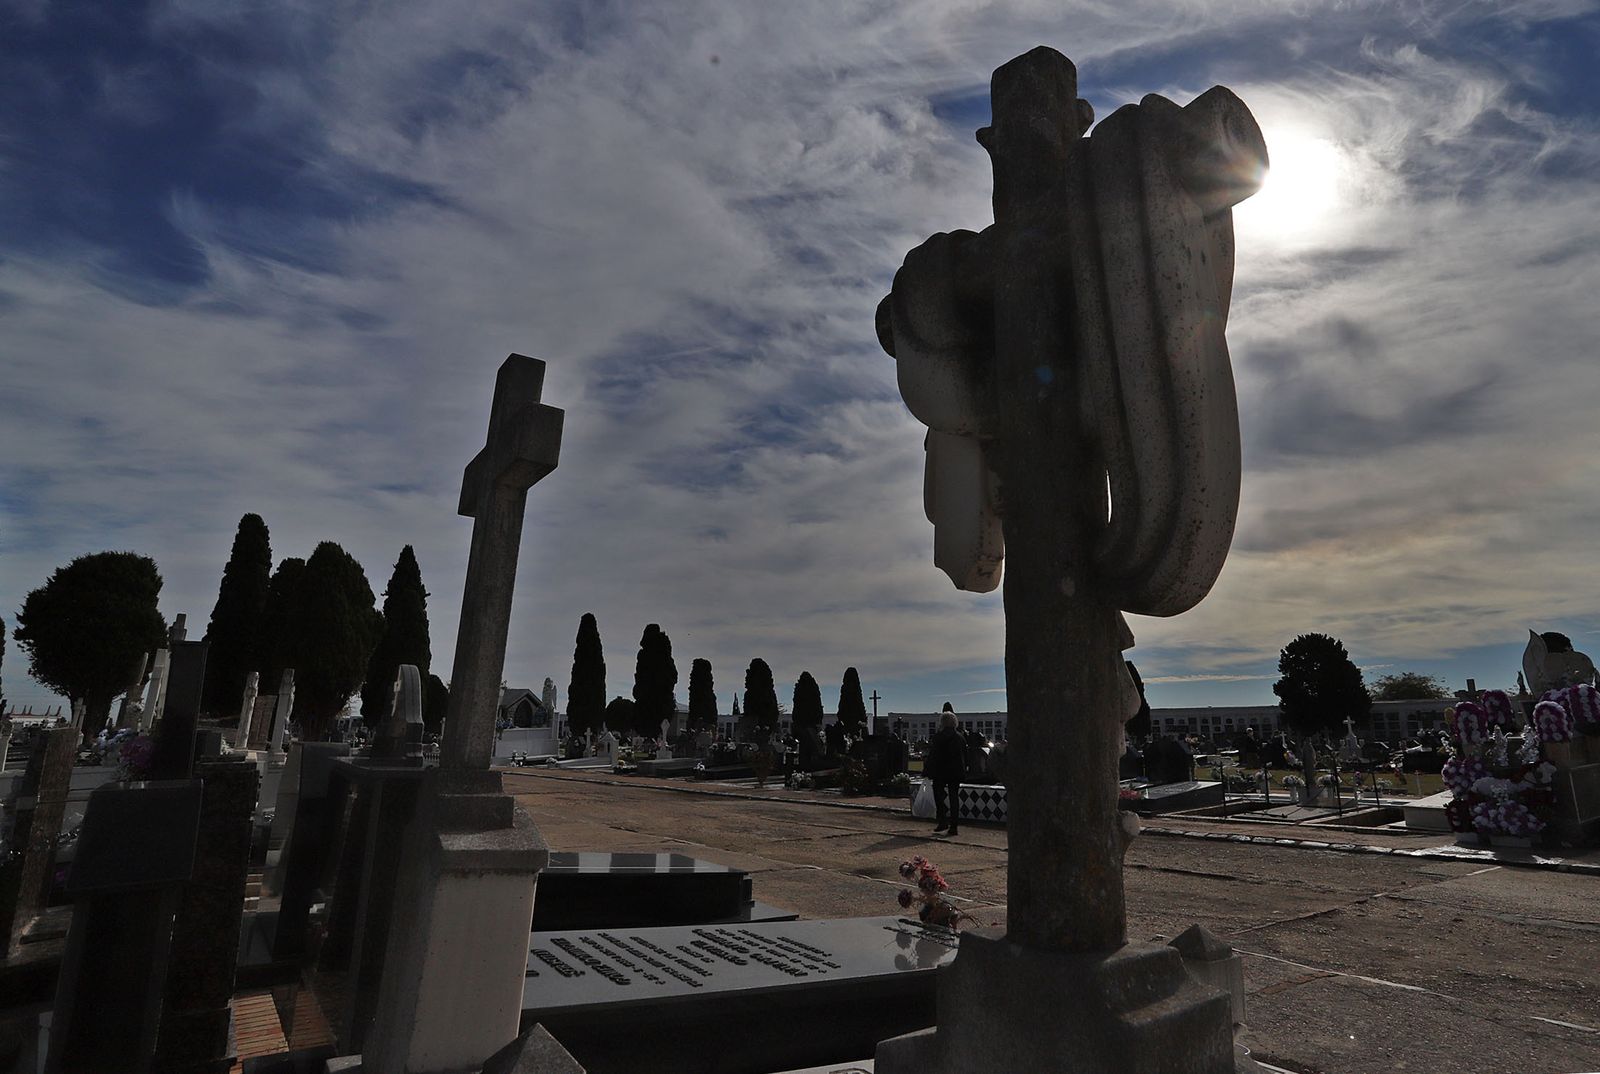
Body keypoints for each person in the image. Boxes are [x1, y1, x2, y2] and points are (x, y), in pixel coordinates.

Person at [926, 710, 967, 836]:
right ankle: (954, 826)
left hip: (941, 771)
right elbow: (964, 755)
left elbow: (933, 756)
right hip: (956, 772)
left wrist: (928, 770)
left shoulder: (938, 737)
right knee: (954, 797)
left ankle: (942, 820)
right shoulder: (960, 737)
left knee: (938, 794)